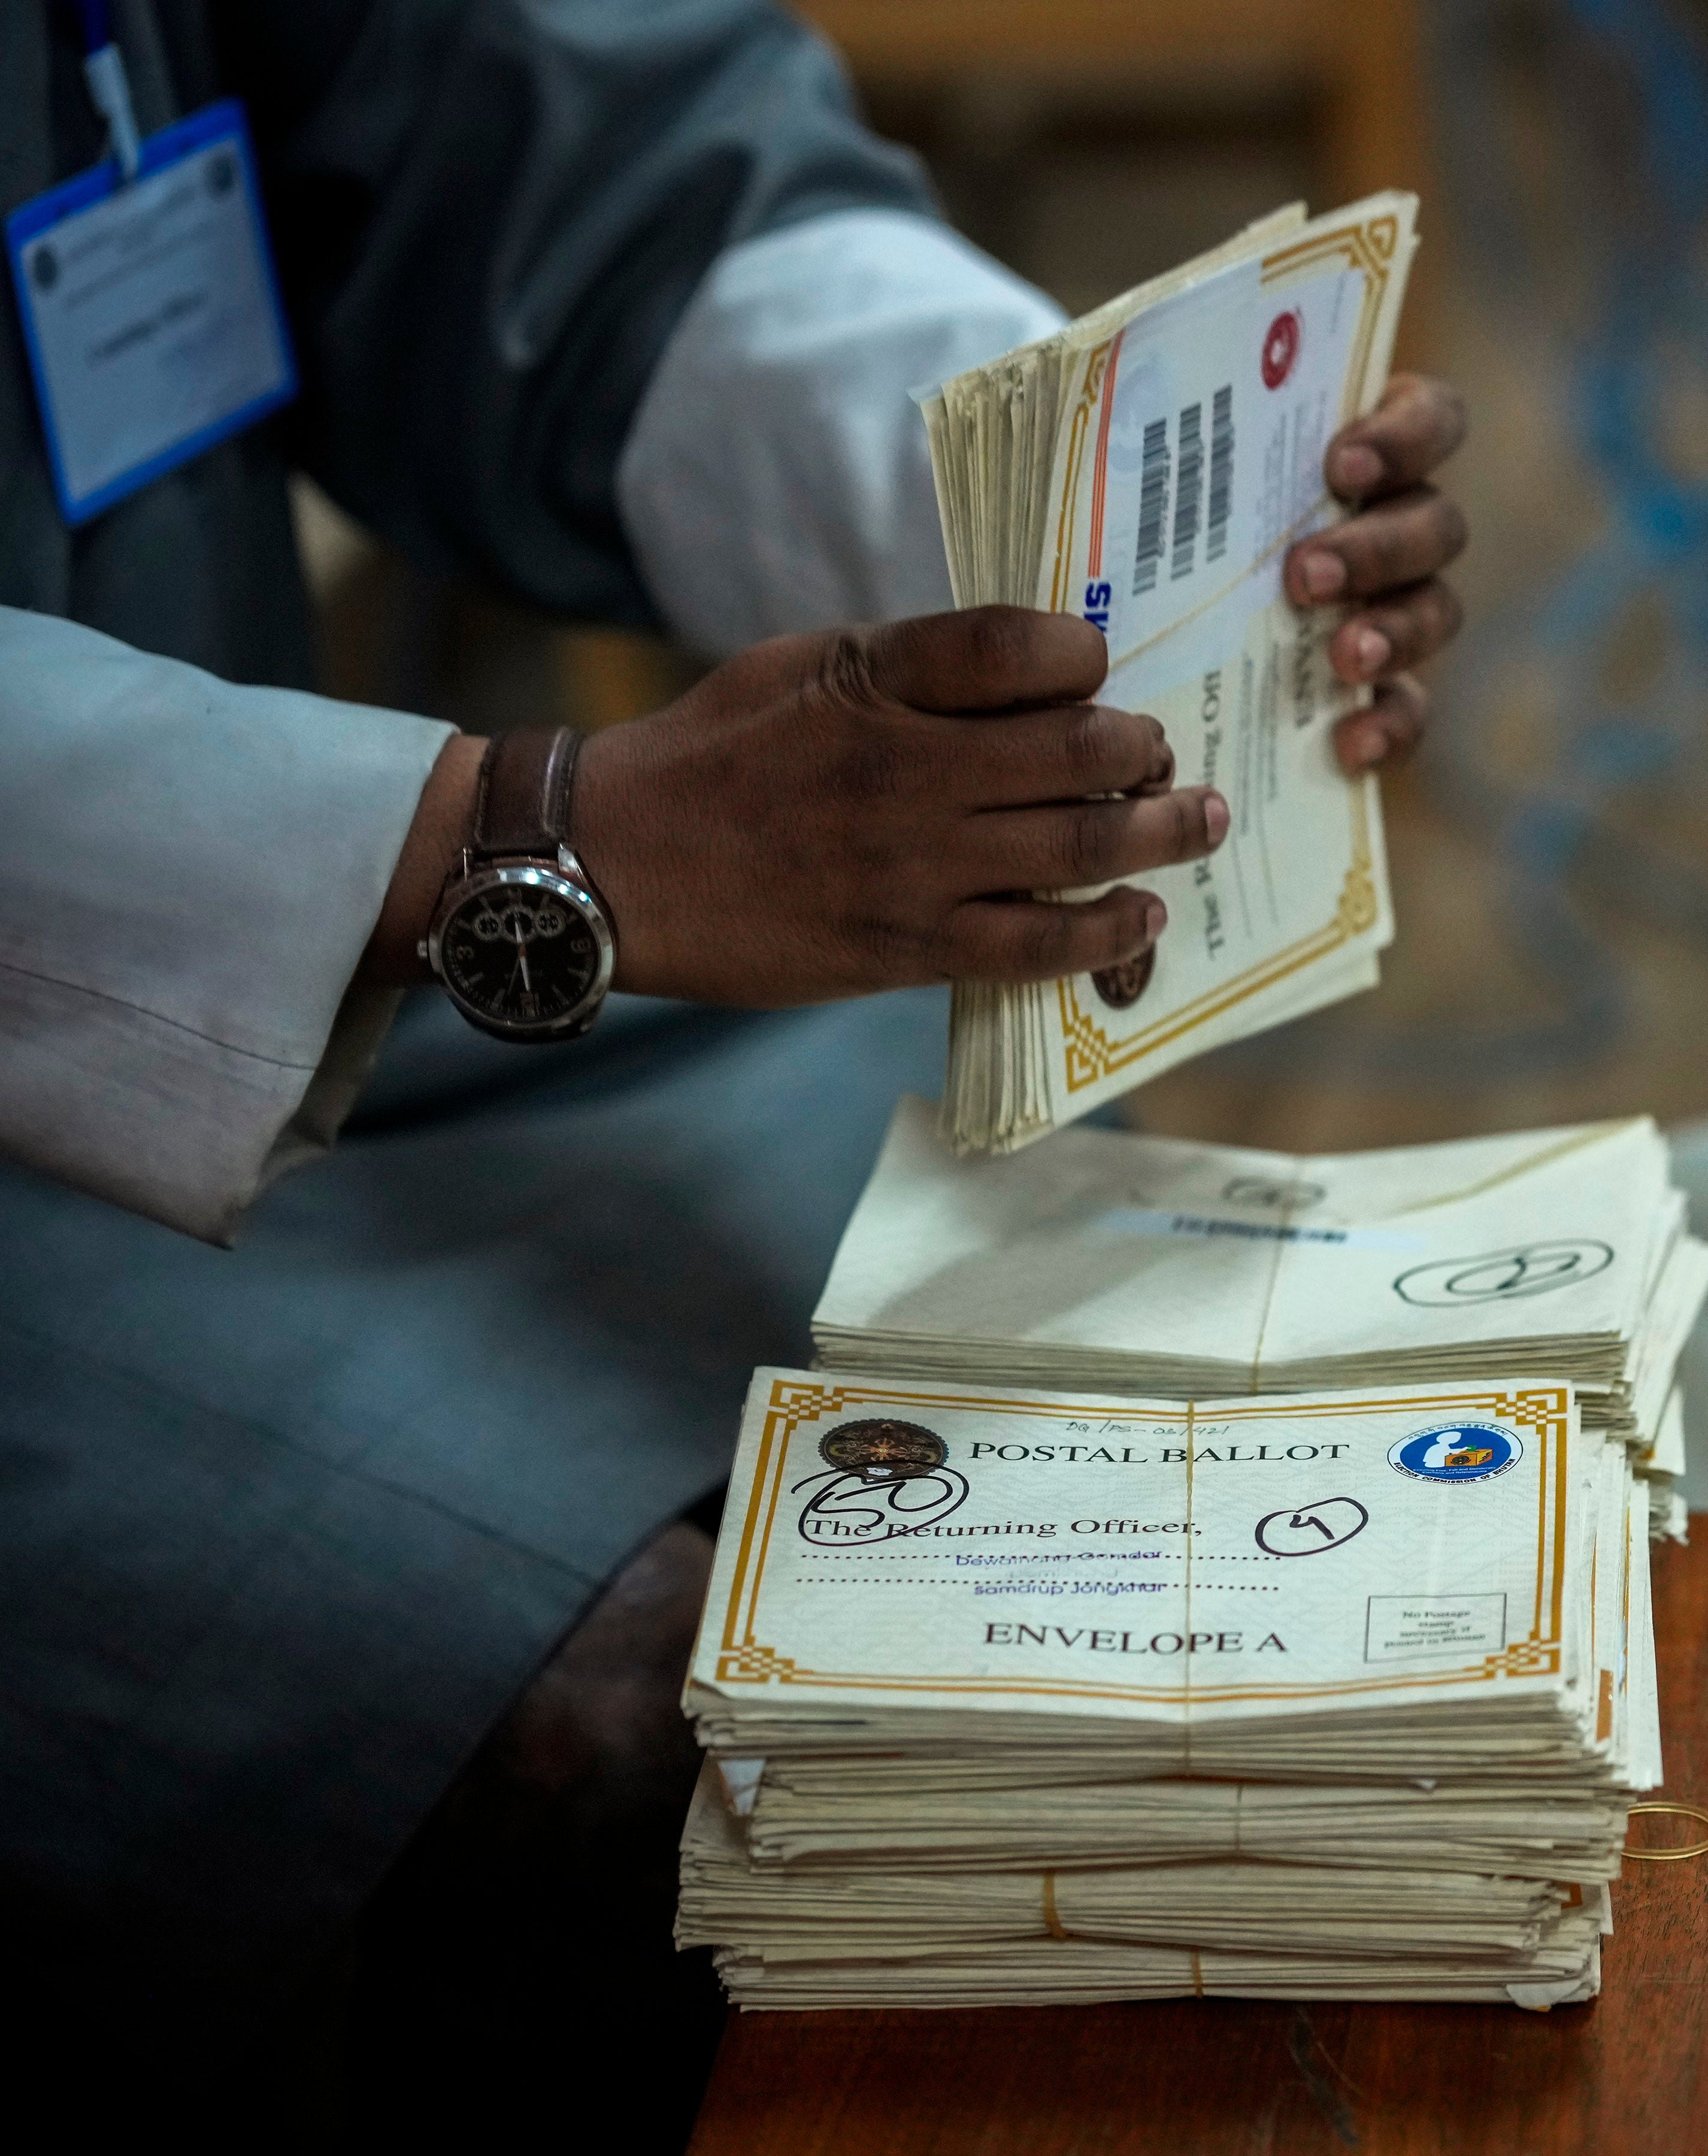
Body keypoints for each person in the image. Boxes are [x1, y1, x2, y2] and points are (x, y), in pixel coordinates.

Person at [0, 2, 1468, 2139]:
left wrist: (1080, 535)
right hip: (206, 949)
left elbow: (557, 168)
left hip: (275, 971)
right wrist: (510, 841)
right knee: (695, 1717)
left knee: (1046, 1231)